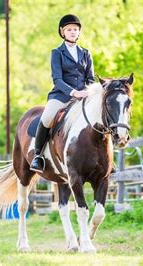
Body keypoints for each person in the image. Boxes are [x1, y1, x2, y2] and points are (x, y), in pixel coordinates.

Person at [30, 14, 95, 173]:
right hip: (61, 95)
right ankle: (38, 155)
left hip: (83, 97)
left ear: (79, 32)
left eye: (75, 29)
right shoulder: (57, 53)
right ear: (62, 32)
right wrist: (74, 92)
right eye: (69, 29)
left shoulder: (86, 53)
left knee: (100, 116)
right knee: (46, 117)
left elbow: (91, 78)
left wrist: (87, 92)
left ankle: (105, 158)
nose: (73, 32)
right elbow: (57, 79)